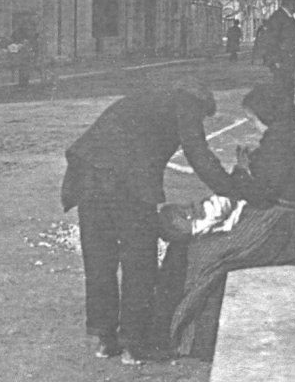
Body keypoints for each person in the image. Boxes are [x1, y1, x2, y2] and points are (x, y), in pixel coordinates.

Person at [60, 79, 239, 364]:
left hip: (87, 178)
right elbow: (198, 154)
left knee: (100, 261)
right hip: (127, 183)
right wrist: (230, 188)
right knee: (139, 261)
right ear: (200, 102)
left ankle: (106, 339)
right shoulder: (186, 105)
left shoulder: (150, 98)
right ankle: (134, 343)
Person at [154, 85, 295, 360]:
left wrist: (242, 169)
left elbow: (261, 195)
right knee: (208, 250)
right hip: (294, 228)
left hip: (273, 228)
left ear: (267, 116)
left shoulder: (277, 144)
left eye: (253, 120)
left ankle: (183, 337)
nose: (253, 127)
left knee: (197, 253)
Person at [258, 0, 295, 103]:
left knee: (288, 89)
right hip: (281, 61)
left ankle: (287, 114)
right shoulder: (278, 18)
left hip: (288, 61)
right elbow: (270, 40)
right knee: (282, 90)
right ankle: (282, 116)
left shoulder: (288, 18)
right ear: (289, 3)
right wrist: (276, 60)